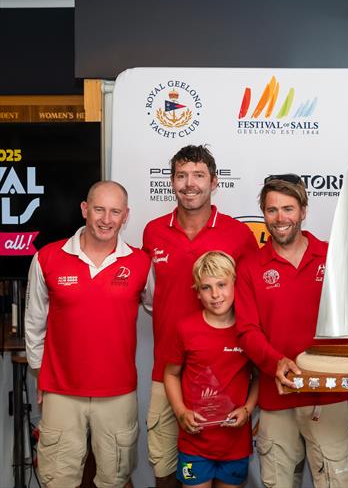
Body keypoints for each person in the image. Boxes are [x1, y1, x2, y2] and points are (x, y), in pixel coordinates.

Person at [143, 145, 258, 488]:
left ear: (214, 181)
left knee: (223, 472)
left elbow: (252, 302)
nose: (189, 184)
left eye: (198, 175)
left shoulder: (238, 234)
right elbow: (151, 297)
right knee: (164, 468)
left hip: (228, 376)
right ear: (172, 181)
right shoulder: (153, 231)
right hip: (169, 372)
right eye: (181, 175)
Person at [25, 181, 150, 488]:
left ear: (125, 216)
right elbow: (34, 323)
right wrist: (42, 374)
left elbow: (163, 310)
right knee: (58, 479)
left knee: (115, 478)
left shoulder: (141, 263)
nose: (106, 219)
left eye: (115, 212)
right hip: (61, 392)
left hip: (118, 394)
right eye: (99, 209)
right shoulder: (46, 258)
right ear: (85, 209)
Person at [235, 174, 348, 488]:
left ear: (303, 210)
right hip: (276, 397)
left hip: (327, 396)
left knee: (335, 483)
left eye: (288, 209)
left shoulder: (334, 258)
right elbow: (247, 330)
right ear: (263, 214)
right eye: (271, 210)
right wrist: (277, 363)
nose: (280, 218)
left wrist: (326, 368)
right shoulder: (250, 265)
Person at [164, 251, 259, 488]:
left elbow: (258, 377)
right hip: (194, 443)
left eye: (222, 285)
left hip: (235, 444)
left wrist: (247, 410)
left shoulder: (248, 330)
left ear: (235, 284)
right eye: (206, 287)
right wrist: (181, 411)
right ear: (197, 291)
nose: (216, 295)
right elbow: (171, 373)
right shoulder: (185, 329)